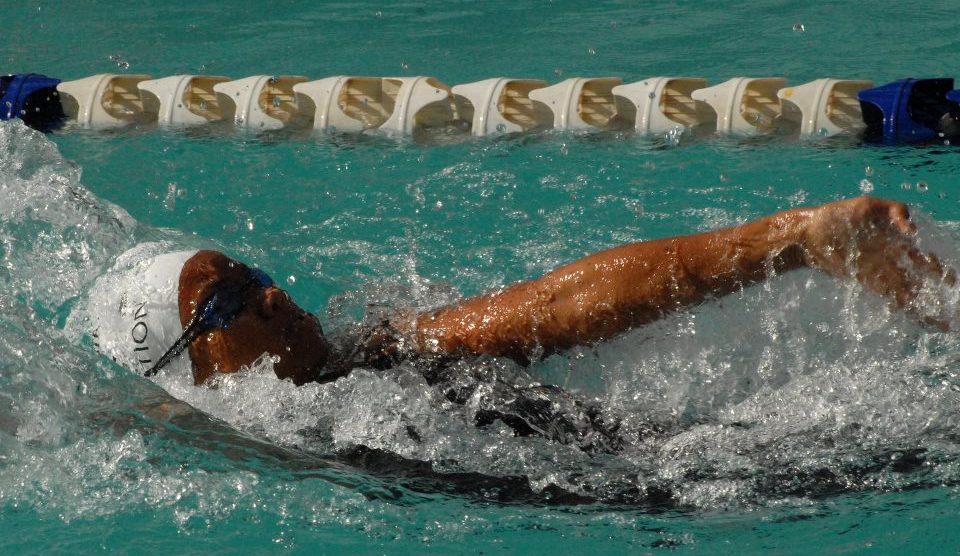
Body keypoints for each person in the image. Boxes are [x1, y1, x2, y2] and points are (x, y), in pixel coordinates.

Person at [84, 196, 954, 453]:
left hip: (679, 477)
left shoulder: (376, 358)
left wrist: (790, 242)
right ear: (193, 365)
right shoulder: (218, 430)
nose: (275, 297)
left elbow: (555, 304)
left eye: (254, 277)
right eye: (233, 304)